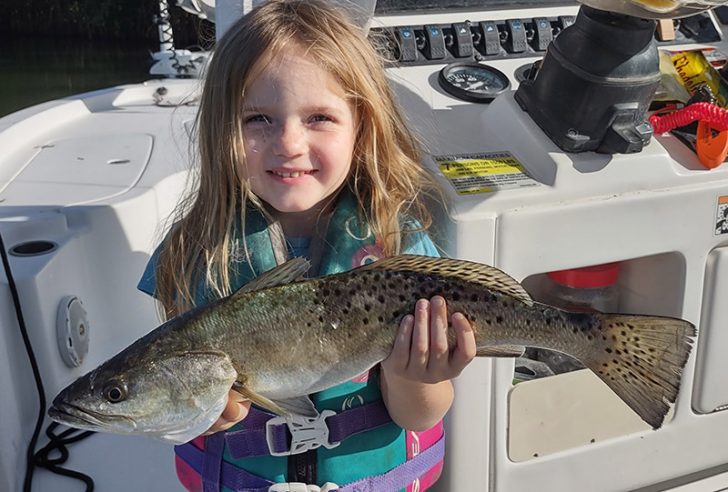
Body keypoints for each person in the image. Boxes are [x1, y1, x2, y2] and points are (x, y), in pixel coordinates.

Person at [137, 1, 477, 490]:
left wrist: (417, 374)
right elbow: (185, 385)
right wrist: (204, 414)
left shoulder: (400, 243)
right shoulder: (195, 252)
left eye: (319, 117)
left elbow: (420, 417)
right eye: (258, 119)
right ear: (220, 130)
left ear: (362, 128)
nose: (289, 143)